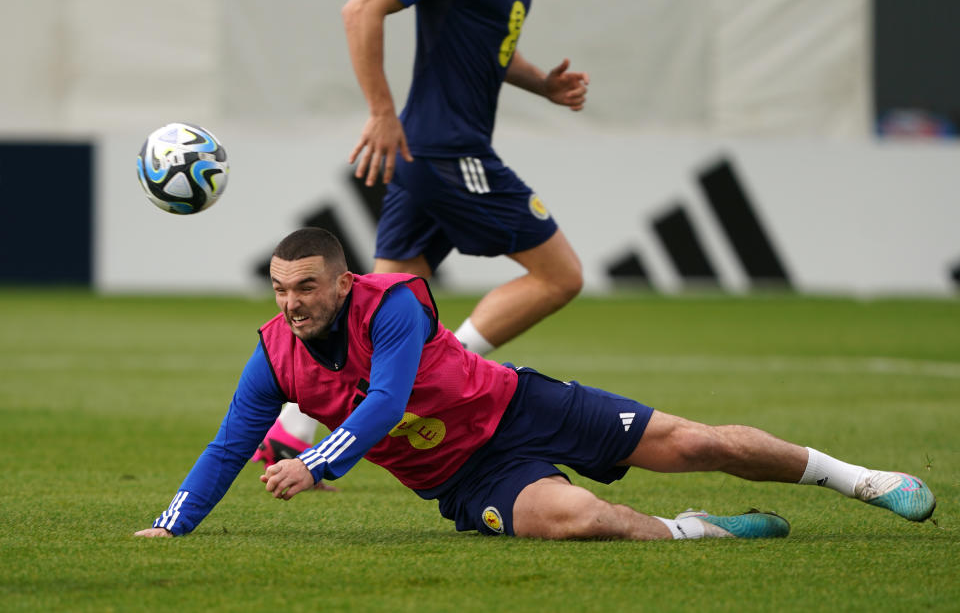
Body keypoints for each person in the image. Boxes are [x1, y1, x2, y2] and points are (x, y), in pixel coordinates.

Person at [136, 228, 936, 540]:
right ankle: (705, 531)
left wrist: (317, 462)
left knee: (699, 441)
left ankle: (863, 480)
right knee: (580, 521)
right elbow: (227, 444)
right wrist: (170, 529)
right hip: (464, 476)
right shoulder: (274, 354)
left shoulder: (395, 305)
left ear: (343, 283)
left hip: (521, 404)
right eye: (279, 289)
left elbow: (384, 401)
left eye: (305, 287)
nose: (291, 302)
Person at [250, 0, 591, 467]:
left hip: (429, 152)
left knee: (381, 306)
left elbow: (488, 46)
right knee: (560, 276)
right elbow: (361, 8)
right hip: (449, 152)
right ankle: (432, 366)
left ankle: (292, 428)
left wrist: (542, 84)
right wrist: (381, 112)